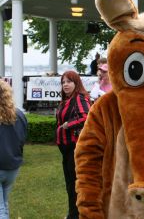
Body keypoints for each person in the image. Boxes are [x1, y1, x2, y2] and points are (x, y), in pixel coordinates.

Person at [56, 71, 91, 219]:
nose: (65, 85)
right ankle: (73, 213)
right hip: (66, 150)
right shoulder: (67, 100)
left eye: (69, 82)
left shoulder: (79, 98)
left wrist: (67, 125)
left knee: (75, 185)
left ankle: (76, 215)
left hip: (75, 148)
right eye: (63, 82)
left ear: (76, 83)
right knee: (70, 184)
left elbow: (87, 116)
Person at [0, 80, 27, 219]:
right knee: (4, 202)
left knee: (1, 208)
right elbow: (22, 138)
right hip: (13, 166)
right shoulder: (20, 114)